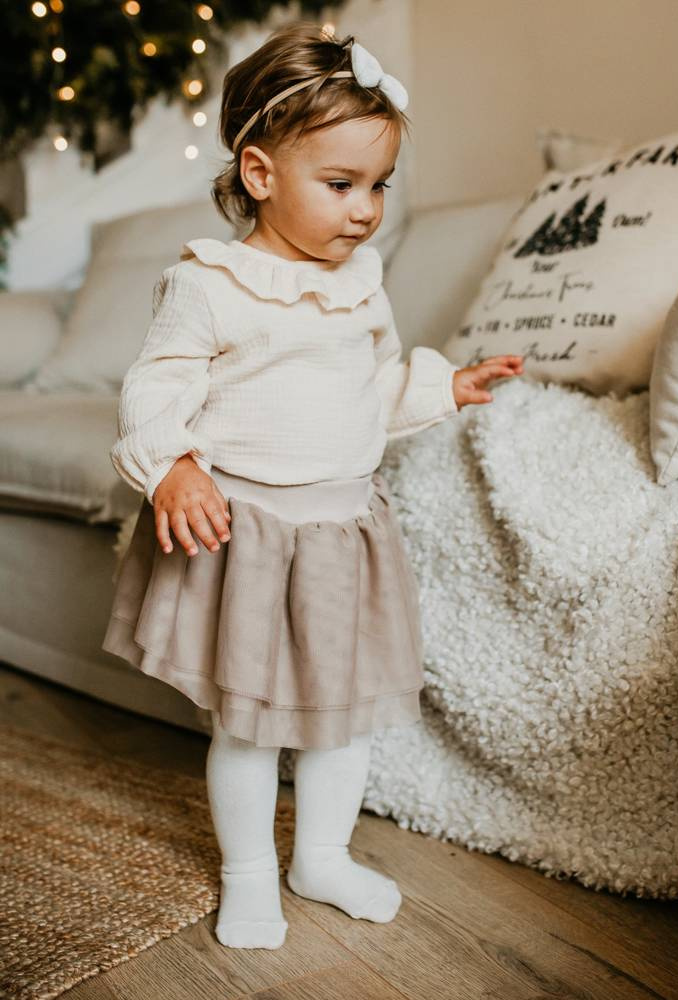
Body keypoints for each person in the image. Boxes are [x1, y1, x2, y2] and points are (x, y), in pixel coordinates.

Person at [102, 19, 523, 951]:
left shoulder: (361, 282)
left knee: (341, 722)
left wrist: (445, 386)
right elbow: (154, 388)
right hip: (249, 539)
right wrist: (173, 465)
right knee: (250, 729)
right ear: (259, 174)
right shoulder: (211, 284)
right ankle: (249, 873)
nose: (366, 209)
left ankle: (321, 856)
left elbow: (372, 387)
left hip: (343, 536)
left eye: (379, 185)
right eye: (341, 184)